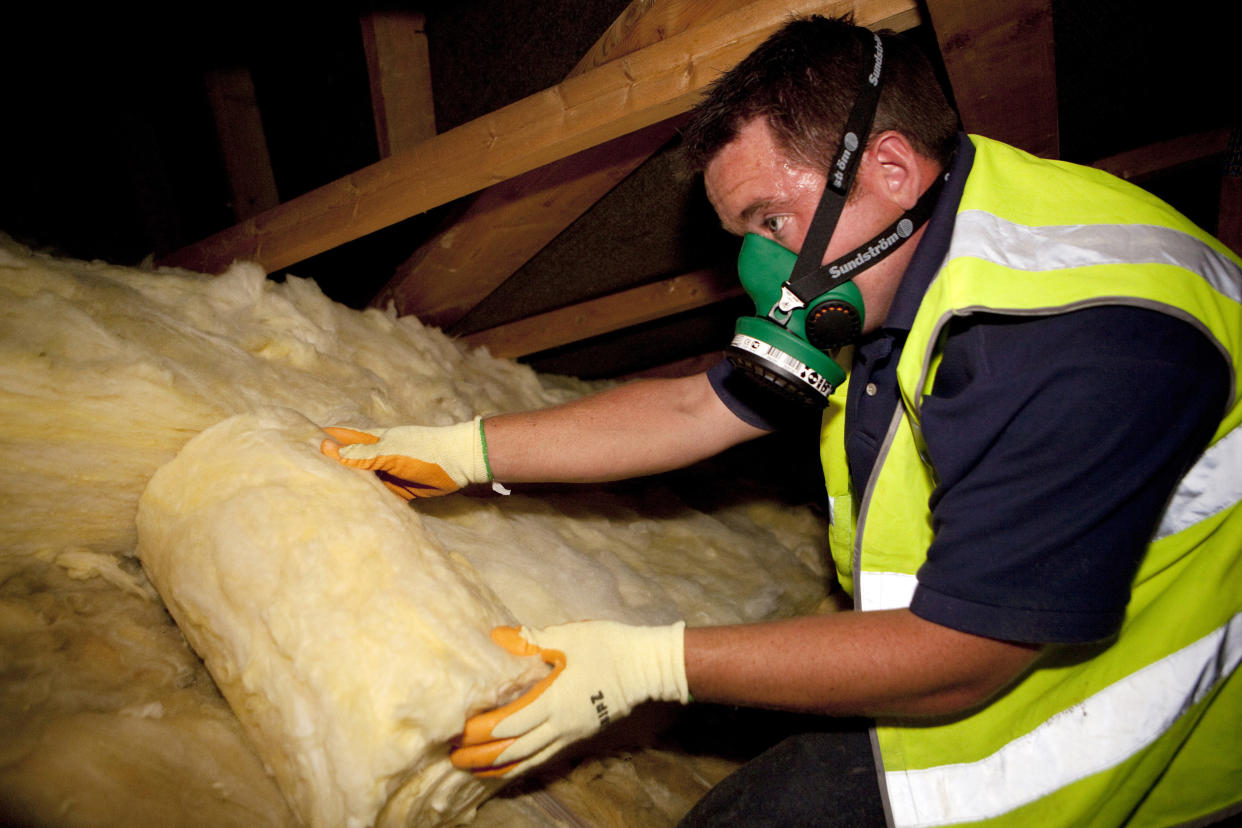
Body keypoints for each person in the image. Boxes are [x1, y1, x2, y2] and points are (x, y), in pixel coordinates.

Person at [321, 15, 1242, 826]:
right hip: (960, 661)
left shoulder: (1075, 340)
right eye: (744, 238)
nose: (761, 271)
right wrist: (459, 451)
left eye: (772, 219)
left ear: (887, 168)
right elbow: (698, 404)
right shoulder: (905, 254)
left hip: (1089, 741)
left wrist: (644, 666)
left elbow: (962, 656)